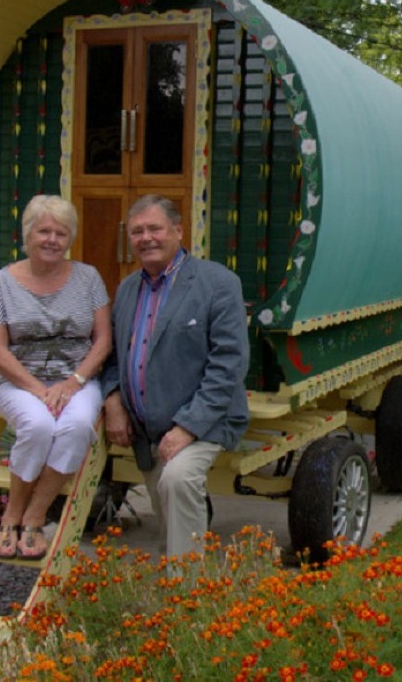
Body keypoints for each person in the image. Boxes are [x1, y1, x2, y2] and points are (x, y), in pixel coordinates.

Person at [101, 194, 249, 558]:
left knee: (178, 480)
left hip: (205, 421)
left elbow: (229, 363)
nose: (146, 238)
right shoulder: (126, 289)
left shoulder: (217, 283)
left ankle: (186, 594)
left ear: (179, 231)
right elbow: (112, 356)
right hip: (147, 429)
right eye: (137, 231)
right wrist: (113, 400)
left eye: (155, 228)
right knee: (169, 514)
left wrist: (187, 426)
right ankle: (178, 576)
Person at [0, 195, 112, 560]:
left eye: (61, 233)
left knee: (79, 425)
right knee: (37, 426)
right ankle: (11, 515)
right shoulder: (1, 283)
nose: (52, 240)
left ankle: (34, 517)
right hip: (20, 380)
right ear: (28, 234)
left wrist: (72, 384)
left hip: (77, 380)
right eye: (44, 231)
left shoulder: (89, 278)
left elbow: (103, 341)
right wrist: (38, 390)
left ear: (70, 239)